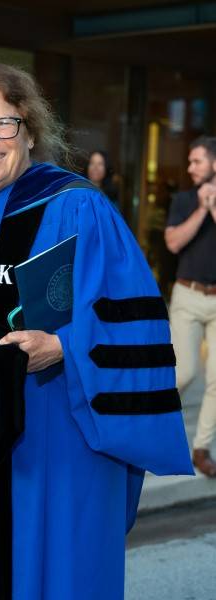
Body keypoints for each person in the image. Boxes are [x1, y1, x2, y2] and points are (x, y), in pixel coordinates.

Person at [0, 63, 191, 600]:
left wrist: (64, 346)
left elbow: (136, 329)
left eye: (3, 124)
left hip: (48, 443)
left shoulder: (79, 208)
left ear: (31, 130)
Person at [165, 135, 216, 477]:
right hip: (187, 295)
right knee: (182, 372)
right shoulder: (184, 199)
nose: (190, 167)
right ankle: (151, 428)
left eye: (196, 161)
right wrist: (200, 208)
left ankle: (201, 448)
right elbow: (172, 243)